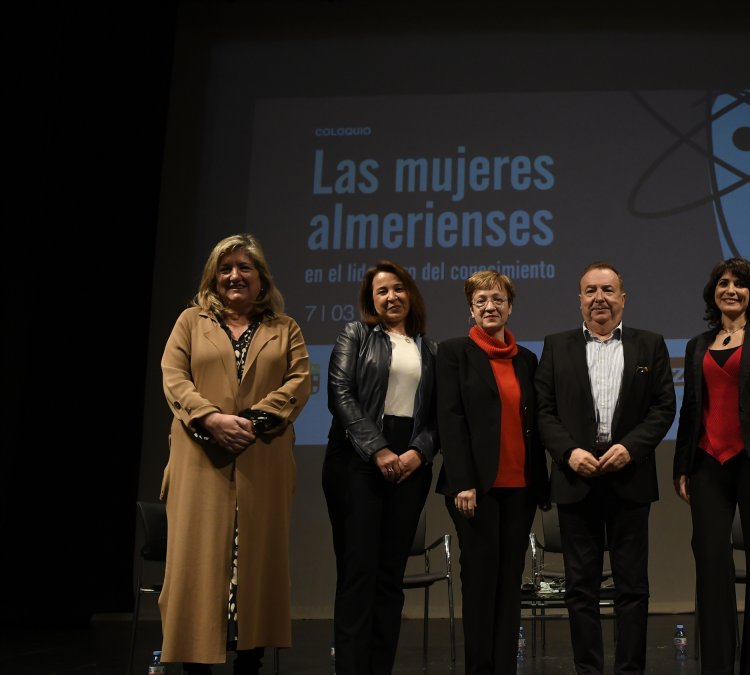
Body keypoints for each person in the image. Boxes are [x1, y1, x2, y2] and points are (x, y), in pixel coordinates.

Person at [159, 233, 312, 675]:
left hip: (262, 457)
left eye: (245, 267)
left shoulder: (285, 328)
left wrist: (248, 422)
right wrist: (210, 419)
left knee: (258, 561)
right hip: (199, 458)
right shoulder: (190, 322)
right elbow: (174, 377)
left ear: (261, 278)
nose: (234, 276)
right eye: (225, 269)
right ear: (213, 277)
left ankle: (251, 662)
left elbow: (299, 381)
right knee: (198, 561)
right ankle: (195, 664)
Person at [534, 261, 676, 675]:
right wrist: (567, 453)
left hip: (629, 478)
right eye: (591, 290)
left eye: (608, 290)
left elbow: (663, 407)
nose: (599, 298)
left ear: (623, 298)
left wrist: (630, 448)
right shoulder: (556, 345)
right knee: (581, 589)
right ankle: (589, 671)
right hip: (575, 478)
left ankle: (630, 670)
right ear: (579, 300)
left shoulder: (650, 344)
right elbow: (543, 411)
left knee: (633, 587)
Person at [673, 257, 750, 675]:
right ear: (713, 293)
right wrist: (682, 466)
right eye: (723, 283)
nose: (731, 290)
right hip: (708, 464)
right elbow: (691, 409)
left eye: (740, 284)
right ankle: (718, 665)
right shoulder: (697, 345)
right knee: (711, 564)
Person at [321, 261, 438, 675]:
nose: (391, 297)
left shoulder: (430, 349)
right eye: (382, 291)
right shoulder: (355, 335)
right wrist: (379, 450)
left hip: (410, 465)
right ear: (371, 300)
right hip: (357, 460)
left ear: (411, 294)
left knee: (390, 576)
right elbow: (340, 395)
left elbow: (438, 417)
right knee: (358, 572)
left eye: (398, 288)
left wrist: (418, 452)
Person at [435, 270, 550, 675]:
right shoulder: (453, 353)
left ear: (510, 307)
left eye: (498, 299)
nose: (490, 306)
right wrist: (463, 482)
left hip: (521, 487)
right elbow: (450, 420)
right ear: (471, 308)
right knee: (481, 582)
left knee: (509, 582)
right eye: (481, 300)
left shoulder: (527, 359)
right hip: (475, 490)